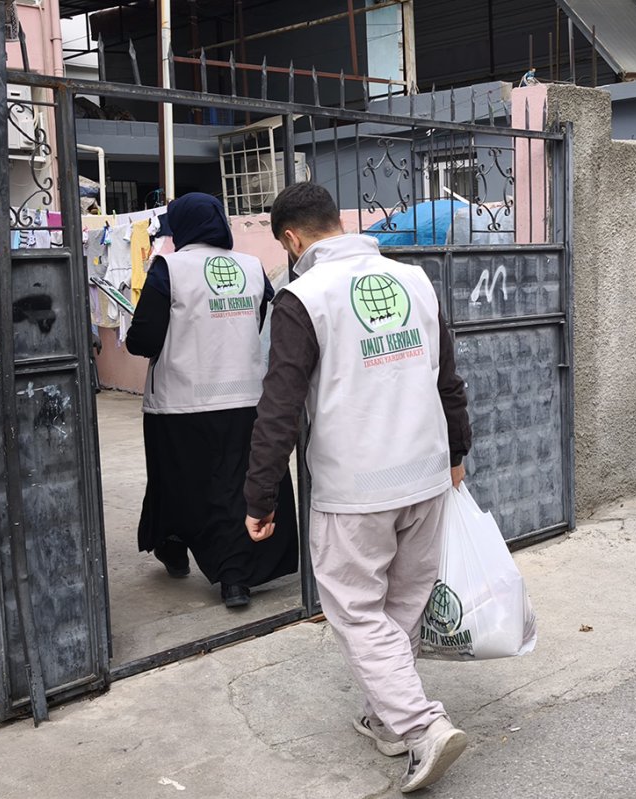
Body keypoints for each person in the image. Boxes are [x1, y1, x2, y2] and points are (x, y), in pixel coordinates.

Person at [243, 182, 472, 793]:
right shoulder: (415, 281)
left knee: (356, 609)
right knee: (404, 600)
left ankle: (422, 726)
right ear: (337, 223)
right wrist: (458, 452)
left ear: (292, 239)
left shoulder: (302, 297)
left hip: (357, 486)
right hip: (424, 474)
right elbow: (447, 376)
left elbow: (280, 406)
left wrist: (259, 496)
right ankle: (388, 719)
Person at [126, 192, 297, 609]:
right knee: (237, 488)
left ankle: (175, 546)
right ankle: (235, 577)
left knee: (180, 482)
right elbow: (260, 320)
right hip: (244, 399)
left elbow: (144, 339)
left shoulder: (171, 267)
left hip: (182, 402)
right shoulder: (253, 267)